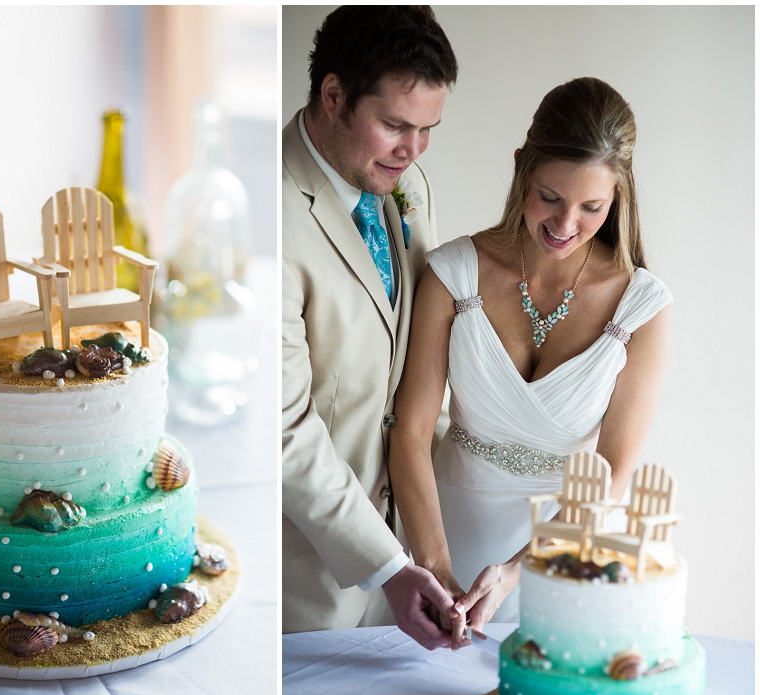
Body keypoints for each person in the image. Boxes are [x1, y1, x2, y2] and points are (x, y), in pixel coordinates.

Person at [389, 76, 673, 648]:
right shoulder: (452, 274)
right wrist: (436, 567)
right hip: (442, 525)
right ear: (522, 167)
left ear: (618, 195)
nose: (564, 226)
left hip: (567, 547)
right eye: (550, 197)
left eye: (591, 207)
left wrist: (519, 567)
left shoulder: (642, 308)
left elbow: (614, 471)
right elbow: (411, 431)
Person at [282, 6, 463, 648]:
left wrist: (431, 550)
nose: (412, 151)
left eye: (427, 130)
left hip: (408, 580)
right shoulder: (270, 216)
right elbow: (283, 429)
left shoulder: (410, 187)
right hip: (304, 593)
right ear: (333, 96)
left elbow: (418, 372)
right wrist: (385, 566)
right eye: (394, 125)